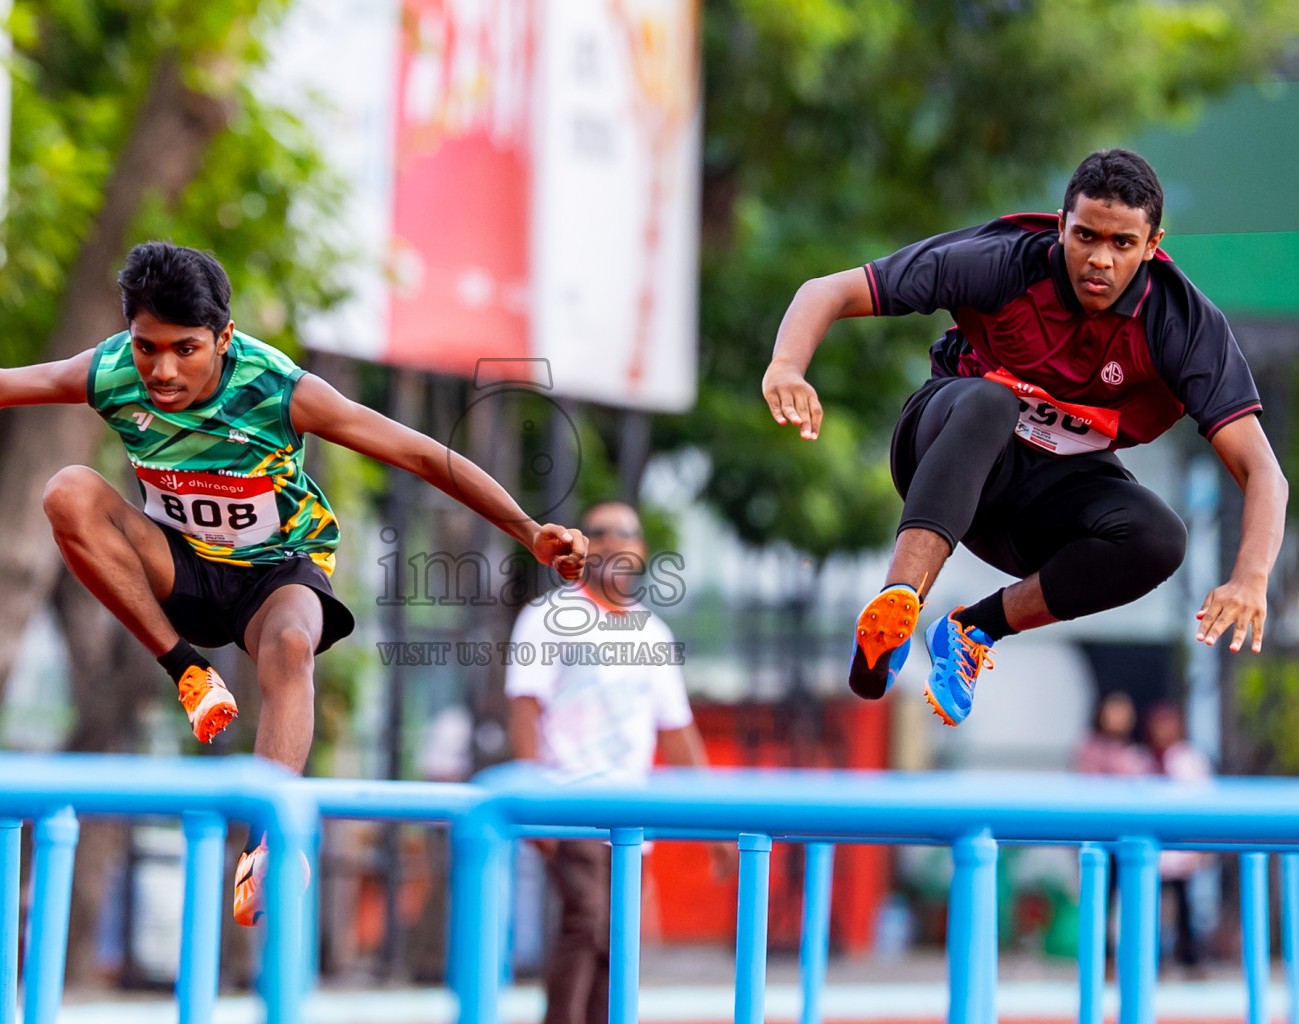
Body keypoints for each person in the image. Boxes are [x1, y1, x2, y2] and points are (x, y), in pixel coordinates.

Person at [0, 241, 587, 926]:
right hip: (182, 563)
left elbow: (416, 452)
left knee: (292, 644)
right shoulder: (113, 372)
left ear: (222, 337)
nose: (161, 372)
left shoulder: (279, 389)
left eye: (184, 350)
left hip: (279, 570)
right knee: (68, 489)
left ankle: (265, 844)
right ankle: (187, 673)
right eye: (147, 347)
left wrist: (526, 529)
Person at [761, 149, 1287, 726]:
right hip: (947, 447)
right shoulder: (1001, 262)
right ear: (1060, 225)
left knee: (1160, 537)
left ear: (1153, 244)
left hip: (1043, 498)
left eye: (1123, 245)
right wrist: (787, 366)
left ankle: (971, 631)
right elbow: (826, 291)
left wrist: (1250, 579)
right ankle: (895, 610)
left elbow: (1263, 471)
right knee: (993, 400)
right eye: (1085, 236)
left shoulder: (1180, 322)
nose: (1100, 261)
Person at [506, 500, 717, 1024]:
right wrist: (535, 806)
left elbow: (678, 733)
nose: (612, 542)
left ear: (641, 551)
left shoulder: (653, 635)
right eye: (598, 532)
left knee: (618, 940)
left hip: (631, 819)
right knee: (589, 923)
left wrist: (715, 821)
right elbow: (524, 707)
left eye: (625, 533)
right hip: (571, 806)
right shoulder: (549, 617)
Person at [1145, 701, 1211, 973]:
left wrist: (1200, 847)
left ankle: (1188, 957)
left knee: (1184, 906)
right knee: (1151, 906)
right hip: (1153, 847)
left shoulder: (1188, 758)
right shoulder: (1144, 757)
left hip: (1182, 846)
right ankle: (1152, 958)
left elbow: (1203, 800)